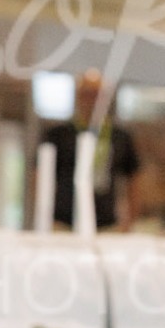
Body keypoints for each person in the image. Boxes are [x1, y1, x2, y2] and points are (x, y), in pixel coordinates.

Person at [37, 70, 141, 232]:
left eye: (96, 95)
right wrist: (44, 218)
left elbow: (134, 179)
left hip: (107, 223)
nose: (91, 101)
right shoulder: (59, 135)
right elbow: (41, 176)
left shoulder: (120, 137)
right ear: (78, 96)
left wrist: (130, 222)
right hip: (64, 222)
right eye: (86, 94)